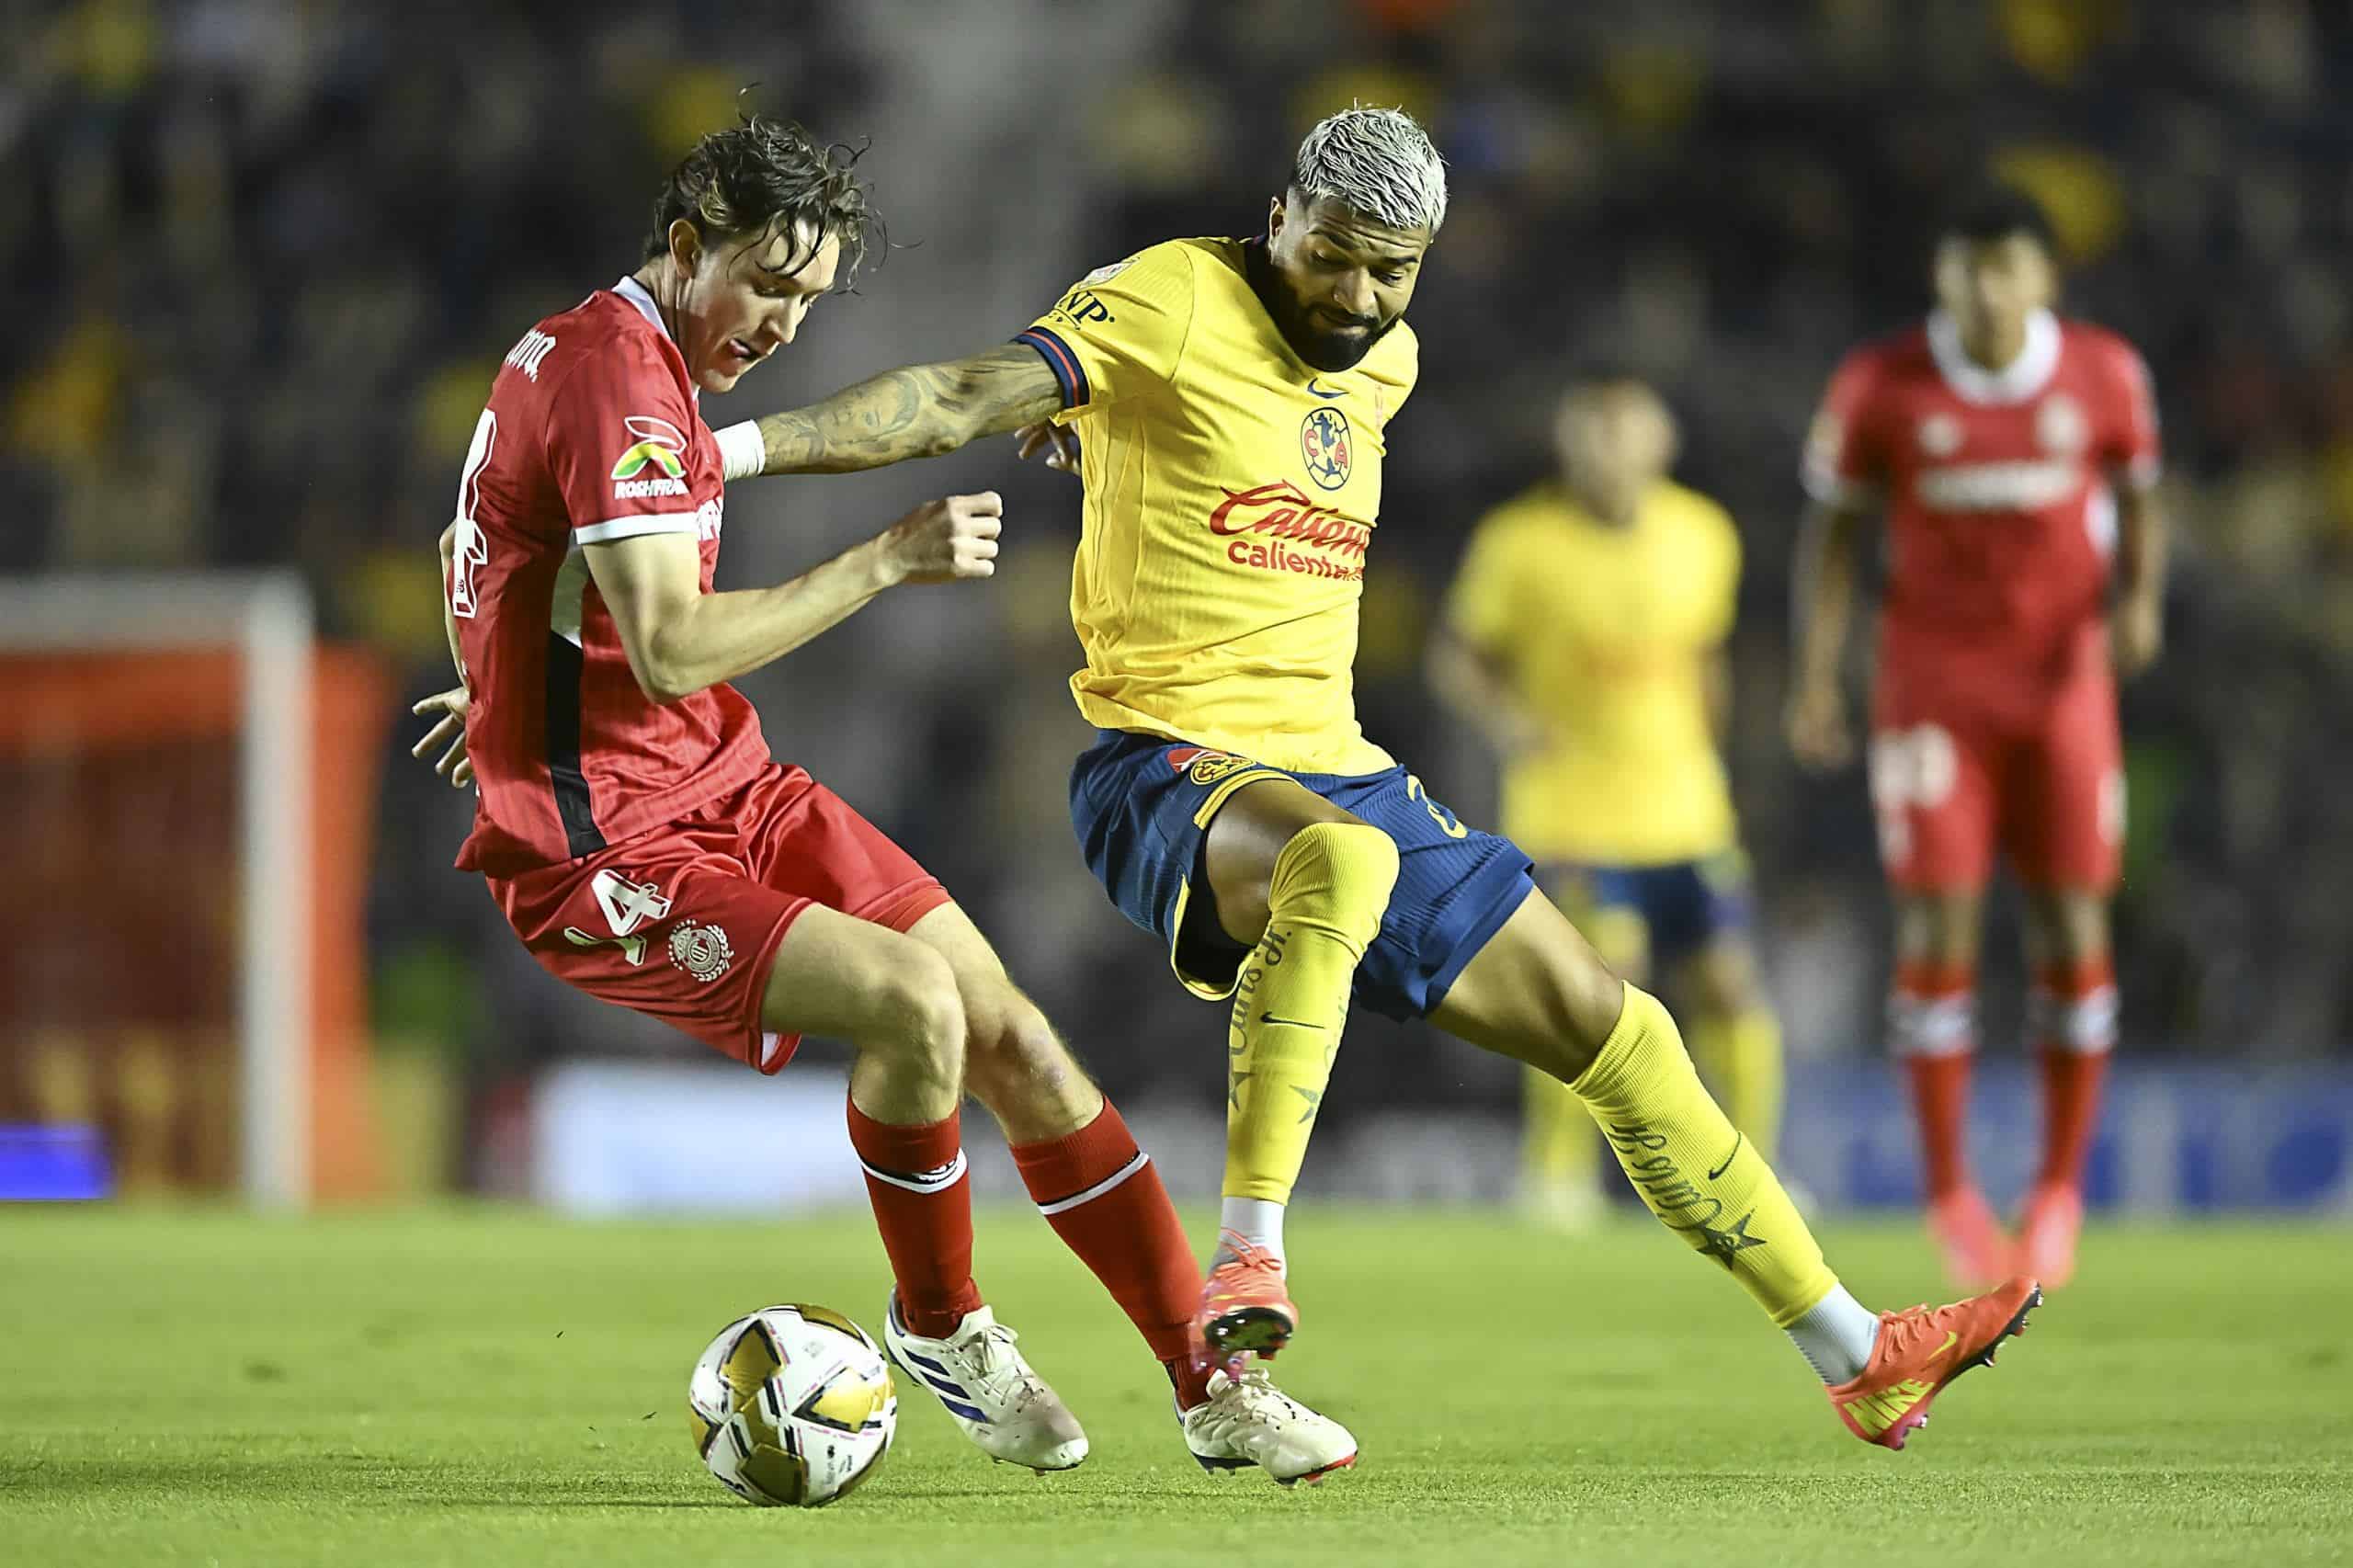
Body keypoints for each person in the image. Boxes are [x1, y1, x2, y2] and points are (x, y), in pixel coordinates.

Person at [709, 107, 2040, 1452]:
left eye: (1387, 271)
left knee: (1613, 1022)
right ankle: (1250, 1257)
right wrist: (733, 454)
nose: (1353, 294)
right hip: (1167, 765)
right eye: (1332, 255)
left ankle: (1856, 1348)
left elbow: (1197, 444)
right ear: (1282, 212)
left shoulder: (1387, 361)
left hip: (1343, 766)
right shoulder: (1169, 297)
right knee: (1338, 859)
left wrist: (1106, 438)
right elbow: (953, 397)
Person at [406, 115, 1355, 1486]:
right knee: (916, 1000)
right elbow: (669, 646)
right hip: (606, 844)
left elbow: (474, 538)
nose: (785, 325)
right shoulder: (620, 381)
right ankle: (943, 1326)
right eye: (768, 286)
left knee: (1016, 1035)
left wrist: (497, 678)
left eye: (809, 297)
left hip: (723, 778)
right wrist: (883, 564)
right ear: (684, 248)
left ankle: (1214, 1384)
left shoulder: (620, 356)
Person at [1788, 184, 2167, 1289]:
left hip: (2062, 687)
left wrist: (2139, 601)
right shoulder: (1882, 383)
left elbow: (2140, 493)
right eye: (1966, 268)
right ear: (1941, 278)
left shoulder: (2104, 371)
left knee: (2069, 922)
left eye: (2006, 267)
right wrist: (1817, 674)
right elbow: (1833, 538)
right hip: (1932, 687)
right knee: (1939, 923)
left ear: (2044, 277)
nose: (1986, 289)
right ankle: (1951, 1190)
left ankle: (2056, 1190)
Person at [1429, 372, 1784, 1233]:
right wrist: (1508, 723)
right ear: (1568, 444)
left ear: (1661, 442)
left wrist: (1717, 762)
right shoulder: (1520, 542)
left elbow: (1707, 659)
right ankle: (1557, 1178)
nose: (1611, 450)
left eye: (1628, 431)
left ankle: (1757, 1176)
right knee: (1604, 991)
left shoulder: (1704, 534)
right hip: (1575, 810)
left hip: (1688, 808)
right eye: (1594, 431)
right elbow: (1460, 655)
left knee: (1732, 990)